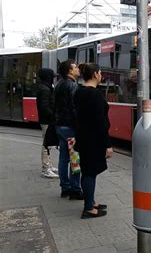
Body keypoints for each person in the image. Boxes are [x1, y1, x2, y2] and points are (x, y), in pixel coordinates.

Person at [74, 63, 112, 219]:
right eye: (100, 72)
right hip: (93, 140)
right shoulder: (93, 94)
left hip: (84, 137)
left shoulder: (80, 91)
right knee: (90, 172)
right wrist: (108, 145)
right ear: (96, 74)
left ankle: (91, 201)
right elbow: (100, 122)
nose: (101, 75)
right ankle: (89, 208)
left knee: (88, 171)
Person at [54, 59, 83, 200]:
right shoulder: (72, 86)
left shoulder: (58, 84)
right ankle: (75, 189)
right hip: (70, 127)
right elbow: (74, 107)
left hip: (60, 125)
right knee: (75, 158)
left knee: (63, 158)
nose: (78, 69)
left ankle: (64, 187)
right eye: (75, 67)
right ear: (70, 71)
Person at [36, 68, 59, 179]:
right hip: (47, 120)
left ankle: (49, 165)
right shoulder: (45, 89)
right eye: (52, 77)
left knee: (48, 143)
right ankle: (46, 168)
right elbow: (45, 106)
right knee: (46, 144)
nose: (53, 79)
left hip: (46, 120)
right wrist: (53, 116)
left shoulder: (45, 87)